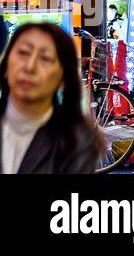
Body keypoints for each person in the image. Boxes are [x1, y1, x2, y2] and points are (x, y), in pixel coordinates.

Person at [0, 23, 102, 173]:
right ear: (6, 65)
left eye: (45, 58)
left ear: (63, 78)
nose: (30, 67)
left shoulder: (76, 140)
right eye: (23, 53)